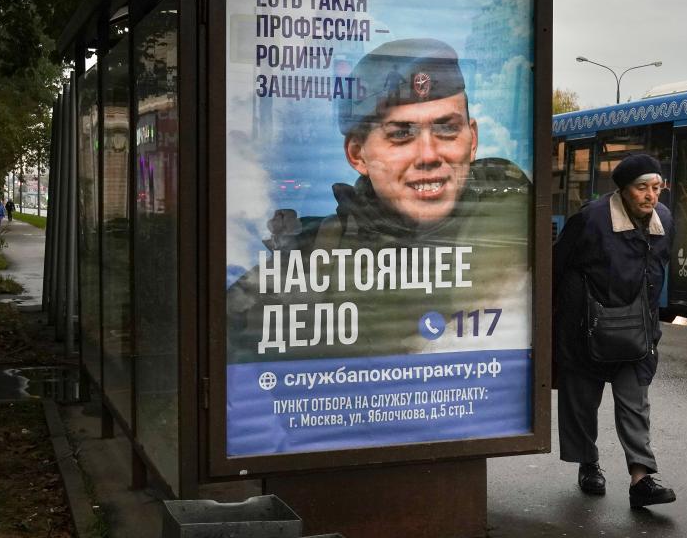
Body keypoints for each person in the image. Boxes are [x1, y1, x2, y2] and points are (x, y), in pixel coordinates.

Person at [226, 38, 531, 362]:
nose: (429, 155)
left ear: (473, 140)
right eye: (401, 134)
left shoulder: (511, 217)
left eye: (446, 129)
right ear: (357, 154)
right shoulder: (308, 260)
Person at [553, 153, 677, 509]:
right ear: (623, 190)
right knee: (581, 399)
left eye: (656, 188)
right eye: (642, 188)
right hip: (586, 325)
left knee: (634, 400)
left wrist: (652, 326)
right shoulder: (592, 218)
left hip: (636, 329)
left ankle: (642, 478)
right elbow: (559, 263)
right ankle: (588, 463)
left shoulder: (664, 219)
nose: (650, 195)